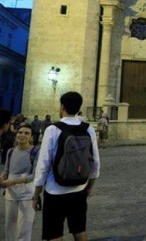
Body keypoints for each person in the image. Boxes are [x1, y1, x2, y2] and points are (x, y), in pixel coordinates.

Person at [33, 91, 101, 241]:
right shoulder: (88, 129)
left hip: (55, 190)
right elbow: (95, 161)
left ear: (62, 106)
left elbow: (43, 163)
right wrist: (89, 187)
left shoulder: (53, 129)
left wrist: (37, 192)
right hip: (79, 189)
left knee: (54, 233)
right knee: (79, 229)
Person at [1, 123, 39, 241]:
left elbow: (34, 175)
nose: (22, 135)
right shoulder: (11, 151)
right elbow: (6, 170)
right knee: (9, 226)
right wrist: (2, 177)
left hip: (27, 194)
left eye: (26, 133)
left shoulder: (35, 152)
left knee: (24, 228)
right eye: (20, 132)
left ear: (31, 137)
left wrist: (13, 182)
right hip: (11, 193)